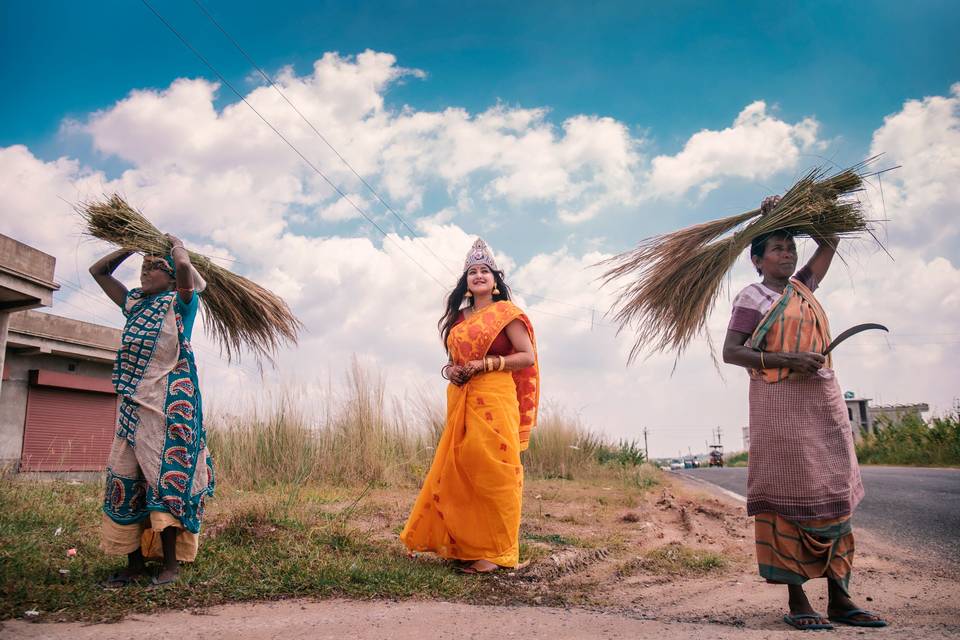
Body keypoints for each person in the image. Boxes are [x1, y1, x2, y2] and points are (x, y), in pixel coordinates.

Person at [722, 196, 887, 630]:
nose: (787, 254)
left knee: (831, 489)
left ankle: (840, 598)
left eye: (789, 247)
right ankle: (798, 602)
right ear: (756, 260)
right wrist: (789, 359)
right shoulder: (752, 296)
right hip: (779, 408)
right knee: (788, 494)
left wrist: (801, 213)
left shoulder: (803, 287)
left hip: (822, 403)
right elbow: (732, 351)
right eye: (776, 247)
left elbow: (830, 241)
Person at [401, 238, 539, 574]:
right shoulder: (458, 317)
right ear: (466, 282)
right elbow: (452, 360)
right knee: (460, 470)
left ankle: (493, 553)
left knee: (494, 470)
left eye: (484, 271)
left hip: (494, 397)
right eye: (472, 272)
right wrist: (451, 371)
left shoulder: (506, 314)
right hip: (462, 398)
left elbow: (526, 356)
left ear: (495, 281)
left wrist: (485, 365)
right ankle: (464, 546)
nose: (478, 275)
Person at [89, 235, 214, 587]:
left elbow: (187, 267)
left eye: (154, 268)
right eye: (142, 267)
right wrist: (130, 243)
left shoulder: (182, 302)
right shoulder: (134, 303)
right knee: (127, 477)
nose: (145, 272)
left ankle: (171, 566)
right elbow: (98, 271)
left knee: (164, 479)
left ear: (172, 277)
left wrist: (175, 246)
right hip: (134, 407)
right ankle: (135, 564)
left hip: (170, 406)